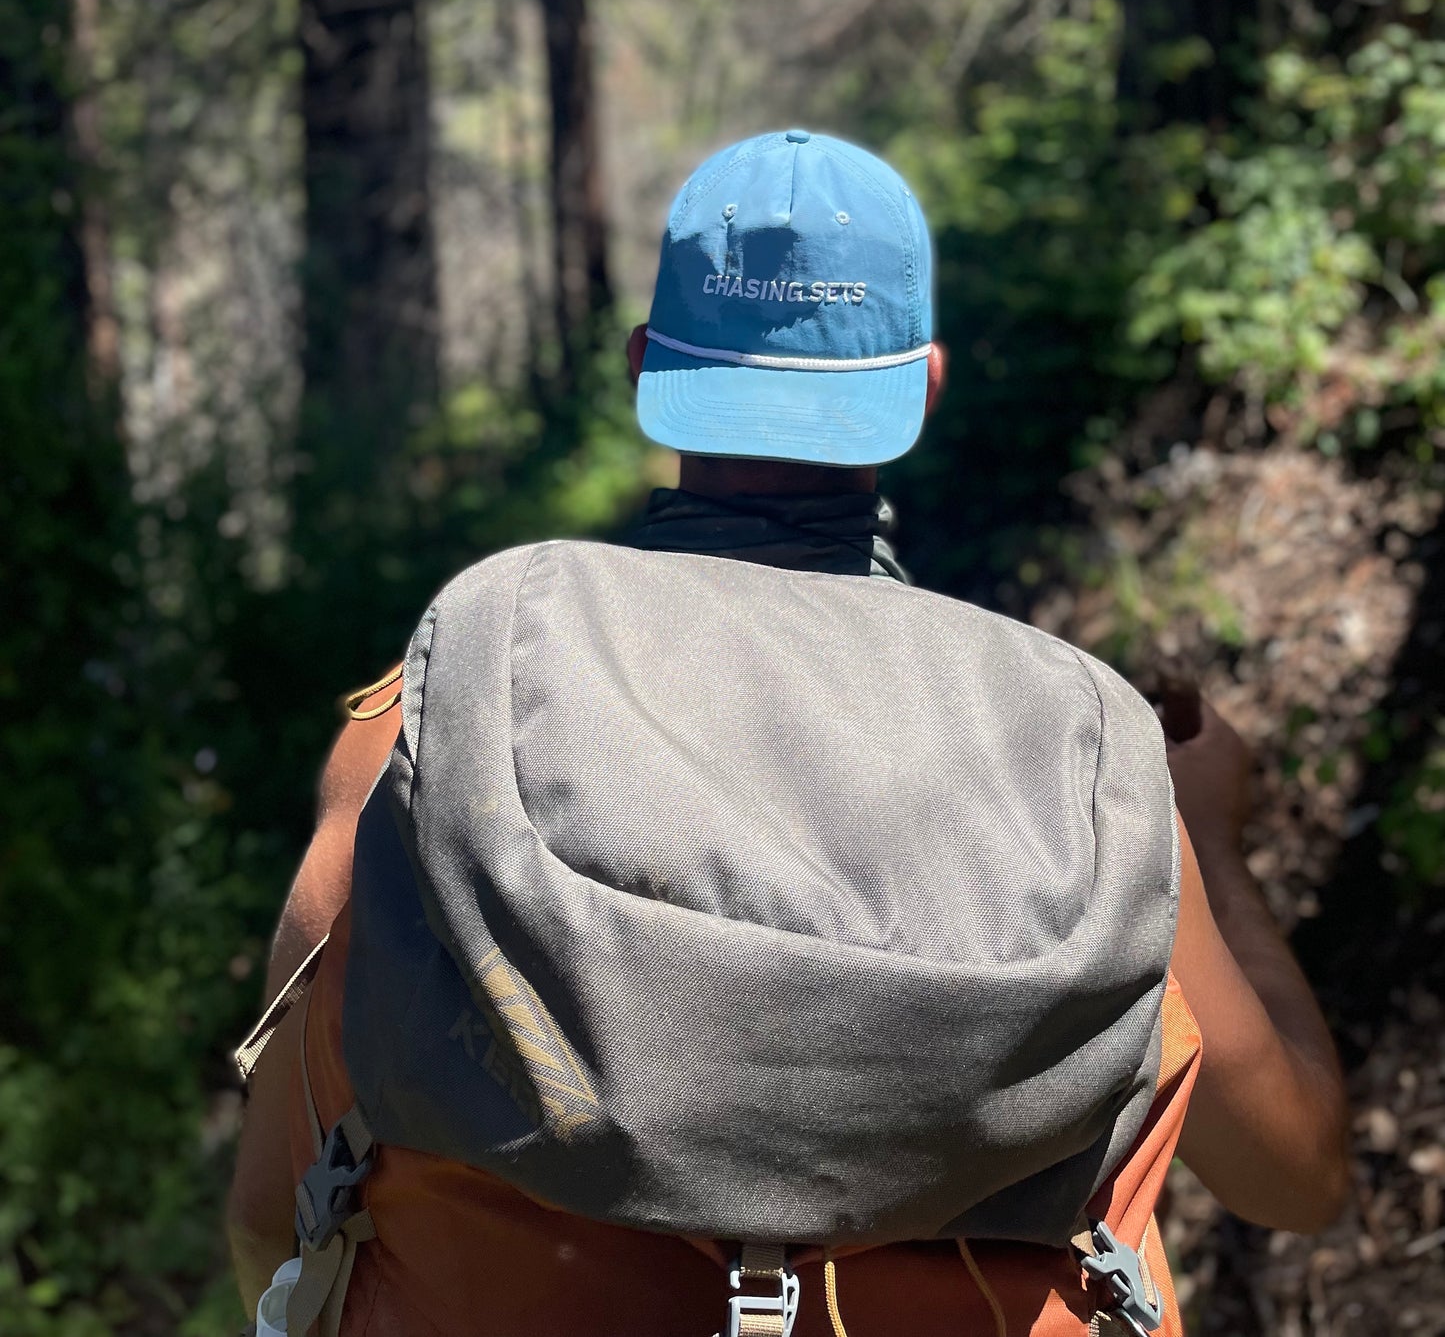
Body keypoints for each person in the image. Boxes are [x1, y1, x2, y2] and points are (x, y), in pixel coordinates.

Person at [229, 130, 1350, 1335]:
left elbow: (272, 1213)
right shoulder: (1087, 769)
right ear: (923, 384)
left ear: (642, 367)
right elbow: (1293, 1173)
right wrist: (1210, 845)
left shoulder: (429, 721)